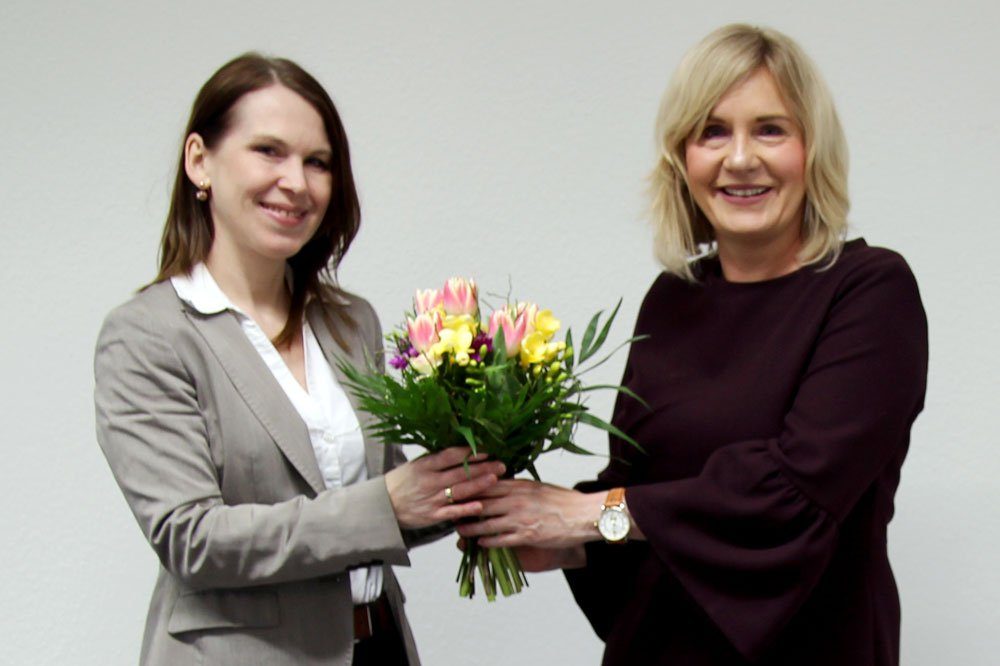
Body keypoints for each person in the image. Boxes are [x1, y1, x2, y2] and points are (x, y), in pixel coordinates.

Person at [458, 24, 928, 665]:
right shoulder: (672, 298)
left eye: (770, 129)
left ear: (811, 149)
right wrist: (549, 534)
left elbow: (794, 494)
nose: (740, 158)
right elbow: (633, 491)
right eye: (712, 132)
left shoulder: (870, 291)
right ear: (682, 158)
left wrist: (584, 516)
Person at [94, 53, 504, 666]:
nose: (298, 182)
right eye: (269, 151)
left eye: (318, 162)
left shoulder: (348, 322)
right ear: (199, 160)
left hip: (379, 645)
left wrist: (475, 480)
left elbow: (385, 499)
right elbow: (191, 539)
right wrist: (386, 503)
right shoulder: (147, 336)